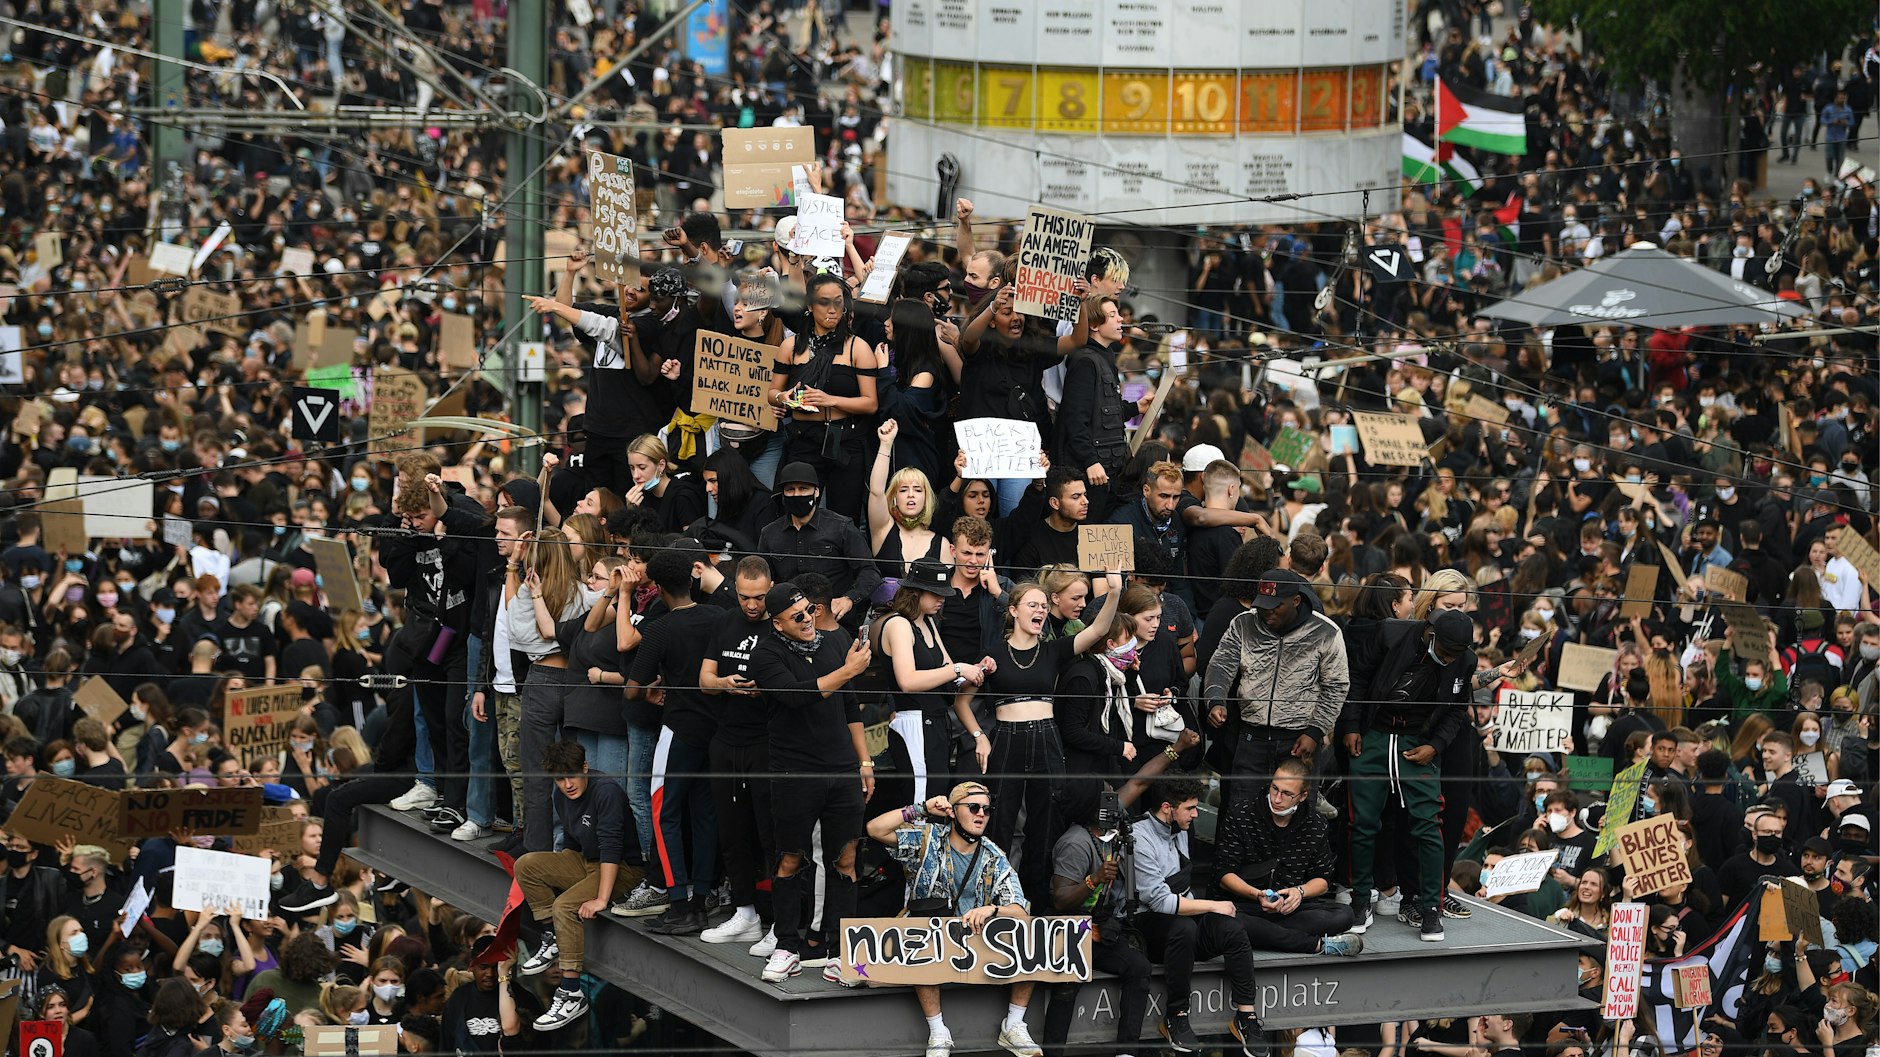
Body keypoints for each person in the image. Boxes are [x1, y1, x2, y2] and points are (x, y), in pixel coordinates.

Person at [952, 572, 1123, 900]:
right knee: (1000, 821)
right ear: (1014, 610)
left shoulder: (1053, 651)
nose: (1041, 611)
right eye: (1033, 605)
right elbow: (962, 702)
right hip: (1006, 737)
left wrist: (1113, 590)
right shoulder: (993, 654)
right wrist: (979, 736)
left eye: (1045, 606)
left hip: (1046, 738)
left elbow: (1099, 630)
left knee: (1045, 824)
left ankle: (1038, 903)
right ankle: (996, 899)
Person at [750, 581, 874, 985]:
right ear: (778, 623)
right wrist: (848, 670)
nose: (808, 620)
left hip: (841, 769)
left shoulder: (832, 645)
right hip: (795, 772)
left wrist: (865, 761)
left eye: (811, 610)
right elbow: (795, 695)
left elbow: (850, 705)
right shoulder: (766, 654)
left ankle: (842, 951)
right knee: (791, 858)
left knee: (846, 859)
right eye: (798, 616)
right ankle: (787, 945)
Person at [865, 782, 1041, 1057]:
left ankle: (1014, 1023)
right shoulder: (928, 839)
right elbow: (875, 829)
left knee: (1031, 934)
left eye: (986, 809)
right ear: (954, 811)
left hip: (973, 944)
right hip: (930, 944)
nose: (981, 814)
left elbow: (1021, 911)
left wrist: (993, 910)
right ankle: (938, 1032)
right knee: (923, 933)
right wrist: (921, 808)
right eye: (973, 808)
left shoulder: (994, 857)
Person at [1343, 608, 1478, 942]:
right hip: (1375, 731)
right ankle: (1361, 899)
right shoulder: (1390, 633)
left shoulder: (1465, 660)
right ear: (1431, 634)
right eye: (1445, 652)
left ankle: (1430, 908)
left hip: (1419, 739)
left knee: (1428, 824)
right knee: (1363, 821)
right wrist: (1349, 726)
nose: (1448, 660)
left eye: (1455, 655)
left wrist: (1435, 746)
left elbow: (1456, 711)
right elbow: (1357, 676)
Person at [1131, 778, 1268, 1057]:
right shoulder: (1139, 837)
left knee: (1232, 927)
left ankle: (1246, 1017)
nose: (1196, 814)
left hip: (1183, 922)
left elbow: (1182, 891)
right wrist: (1212, 906)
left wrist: (1211, 913)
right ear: (1168, 808)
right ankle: (1176, 1015)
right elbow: (1160, 901)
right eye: (1191, 808)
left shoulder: (1180, 828)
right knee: (1184, 928)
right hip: (1146, 925)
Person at [515, 738, 642, 1031]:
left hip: (623, 869)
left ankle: (571, 992)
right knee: (527, 864)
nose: (567, 784)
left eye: (571, 774)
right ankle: (551, 937)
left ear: (585, 767)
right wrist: (561, 874)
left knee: (564, 906)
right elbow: (572, 842)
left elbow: (612, 847)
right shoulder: (561, 794)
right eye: (559, 778)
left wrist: (600, 898)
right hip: (586, 861)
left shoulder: (606, 791)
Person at [1204, 570, 1350, 807]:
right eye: (1263, 605)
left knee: (1296, 816)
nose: (1267, 612)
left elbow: (1336, 686)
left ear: (1295, 601)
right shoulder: (1243, 623)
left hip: (1299, 740)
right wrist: (1215, 699)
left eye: (1275, 606)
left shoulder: (1326, 632)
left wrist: (1315, 731)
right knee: (1243, 812)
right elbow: (1221, 664)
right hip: (1251, 736)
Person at [1212, 758, 1363, 956]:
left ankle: (1264, 935)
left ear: (1302, 796)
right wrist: (1257, 895)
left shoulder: (1315, 824)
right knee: (1221, 919)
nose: (1276, 798)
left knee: (1344, 915)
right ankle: (1317, 945)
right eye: (1274, 788)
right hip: (1245, 904)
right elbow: (1223, 875)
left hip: (1289, 911)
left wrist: (1300, 892)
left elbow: (1322, 880)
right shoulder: (1241, 814)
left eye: (1287, 794)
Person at [442, 935, 541, 1053]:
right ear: (472, 965)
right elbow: (446, 1045)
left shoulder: (521, 997)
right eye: (483, 967)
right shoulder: (458, 998)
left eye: (496, 967)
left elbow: (538, 1045)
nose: (490, 973)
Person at [1719, 809, 1801, 912]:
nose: (1772, 836)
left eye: (1777, 832)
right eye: (1767, 831)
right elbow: (1720, 908)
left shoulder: (1790, 872)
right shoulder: (1732, 867)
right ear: (1754, 834)